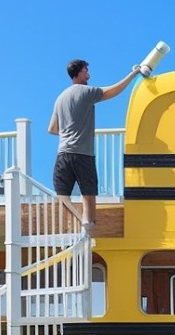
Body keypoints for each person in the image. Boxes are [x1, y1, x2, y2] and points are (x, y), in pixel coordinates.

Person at [47, 59, 140, 232]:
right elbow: (114, 91)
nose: (88, 74)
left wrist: (70, 132)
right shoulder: (86, 91)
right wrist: (133, 74)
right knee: (89, 193)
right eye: (86, 70)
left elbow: (52, 129)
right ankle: (88, 224)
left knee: (62, 195)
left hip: (63, 154)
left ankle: (80, 221)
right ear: (78, 73)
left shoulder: (60, 98)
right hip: (83, 153)